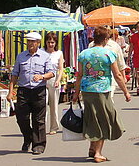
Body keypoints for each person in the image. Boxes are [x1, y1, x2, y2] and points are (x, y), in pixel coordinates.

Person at [72, 26, 131, 163]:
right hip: (102, 90)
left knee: (92, 118)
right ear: (105, 39)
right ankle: (98, 153)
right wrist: (125, 92)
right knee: (104, 120)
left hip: (87, 91)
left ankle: (93, 147)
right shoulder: (108, 54)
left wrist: (76, 93)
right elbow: (117, 75)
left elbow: (79, 75)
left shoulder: (84, 54)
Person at [6, 32, 55, 155]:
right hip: (24, 90)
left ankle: (38, 145)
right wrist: (10, 91)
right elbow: (15, 74)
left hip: (39, 91)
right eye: (28, 41)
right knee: (21, 118)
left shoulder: (45, 56)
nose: (30, 44)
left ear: (38, 43)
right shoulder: (21, 56)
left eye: (33, 42)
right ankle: (28, 137)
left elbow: (51, 73)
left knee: (39, 120)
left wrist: (42, 76)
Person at [88, 28, 127, 97]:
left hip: (109, 81)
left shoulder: (114, 46)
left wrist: (123, 77)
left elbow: (120, 63)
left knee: (107, 101)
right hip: (93, 80)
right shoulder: (91, 45)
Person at [43, 32, 64, 135]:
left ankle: (53, 127)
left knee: (54, 104)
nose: (50, 44)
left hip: (54, 79)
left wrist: (58, 80)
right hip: (42, 79)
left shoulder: (59, 53)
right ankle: (42, 126)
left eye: (52, 42)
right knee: (43, 104)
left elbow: (61, 68)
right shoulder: (41, 52)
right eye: (49, 42)